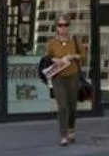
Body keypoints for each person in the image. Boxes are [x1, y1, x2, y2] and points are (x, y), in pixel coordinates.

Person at [42, 14, 85, 147]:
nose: (63, 28)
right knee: (62, 106)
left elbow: (83, 55)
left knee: (72, 105)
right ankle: (63, 135)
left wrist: (73, 56)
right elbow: (47, 57)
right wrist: (55, 59)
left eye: (66, 25)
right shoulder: (51, 43)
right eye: (60, 25)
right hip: (58, 76)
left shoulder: (75, 40)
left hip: (73, 74)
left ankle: (71, 128)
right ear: (56, 27)